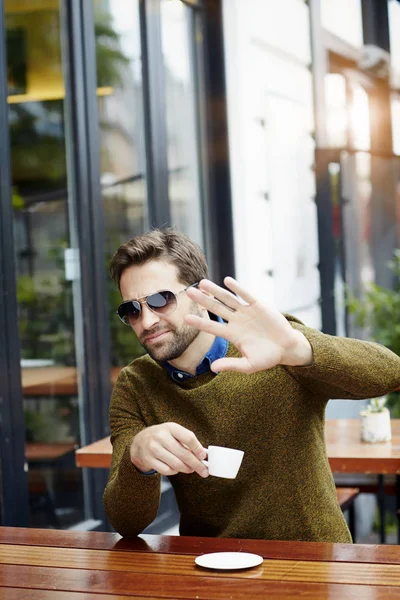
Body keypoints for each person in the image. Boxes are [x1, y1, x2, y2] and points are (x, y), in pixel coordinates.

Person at [103, 228, 400, 542]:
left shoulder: (271, 342)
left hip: (312, 561)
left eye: (160, 300)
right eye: (131, 310)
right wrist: (137, 459)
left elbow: (390, 372)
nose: (147, 321)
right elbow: (126, 522)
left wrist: (300, 350)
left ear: (199, 296)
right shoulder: (135, 385)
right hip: (210, 568)